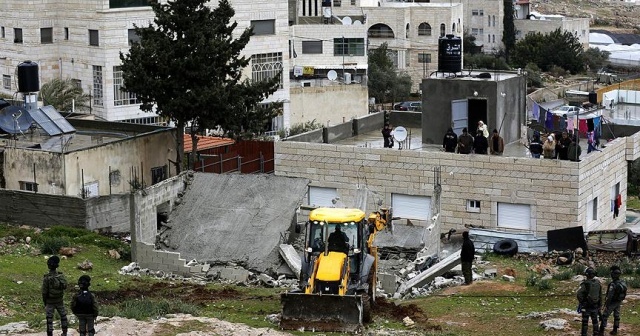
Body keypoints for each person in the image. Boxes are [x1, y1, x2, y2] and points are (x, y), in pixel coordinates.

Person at [42, 255, 68, 336]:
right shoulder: (61, 276)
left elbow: (44, 292)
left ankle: (50, 334)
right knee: (63, 316)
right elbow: (65, 286)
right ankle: (64, 332)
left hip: (50, 301)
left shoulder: (47, 278)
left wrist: (45, 301)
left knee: (49, 318)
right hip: (60, 300)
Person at [600, 265, 626, 335]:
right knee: (617, 315)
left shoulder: (613, 284)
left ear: (613, 274)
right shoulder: (622, 282)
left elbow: (609, 296)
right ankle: (615, 330)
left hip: (612, 302)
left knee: (605, 315)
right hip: (618, 301)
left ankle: (601, 331)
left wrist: (606, 305)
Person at [577, 267, 602, 336]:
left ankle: (584, 334)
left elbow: (579, 294)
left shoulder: (585, 284)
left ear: (587, 275)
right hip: (595, 305)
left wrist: (582, 302)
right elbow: (600, 295)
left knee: (585, 321)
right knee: (595, 321)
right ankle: (596, 333)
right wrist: (600, 305)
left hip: (587, 306)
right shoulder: (598, 283)